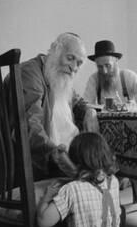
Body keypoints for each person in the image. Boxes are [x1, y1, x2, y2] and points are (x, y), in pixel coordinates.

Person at [6, 32, 99, 180]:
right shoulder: (30, 74)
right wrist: (56, 154)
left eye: (79, 63)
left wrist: (89, 110)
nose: (74, 67)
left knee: (103, 171)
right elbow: (29, 126)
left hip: (66, 153)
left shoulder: (58, 75)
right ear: (55, 51)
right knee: (94, 182)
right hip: (43, 161)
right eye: (70, 58)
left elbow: (76, 100)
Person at [36, 132, 126, 227]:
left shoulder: (71, 190)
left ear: (74, 161)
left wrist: (46, 197)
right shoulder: (113, 181)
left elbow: (43, 221)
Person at [83, 40, 137, 105]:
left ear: (116, 61)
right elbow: (87, 104)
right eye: (100, 67)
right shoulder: (94, 79)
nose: (104, 71)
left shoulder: (129, 76)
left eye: (107, 65)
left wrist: (135, 104)